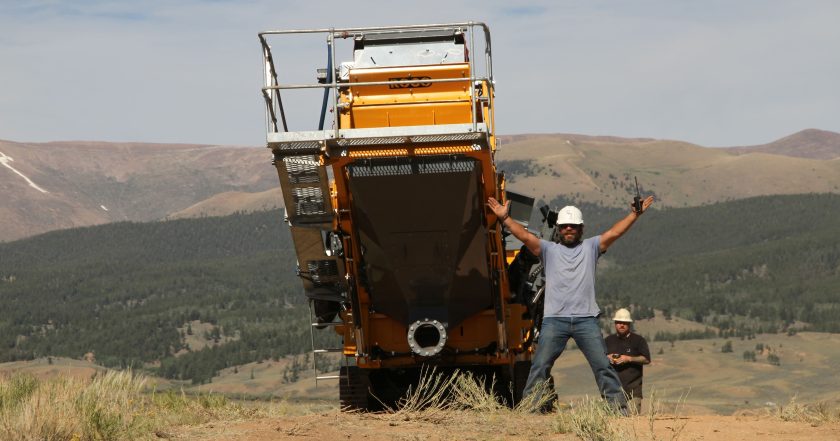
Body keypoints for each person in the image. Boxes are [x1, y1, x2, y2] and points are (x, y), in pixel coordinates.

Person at [486, 195, 654, 412]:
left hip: (586, 320)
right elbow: (525, 237)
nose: (568, 229)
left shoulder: (592, 247)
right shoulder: (548, 250)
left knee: (603, 366)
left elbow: (615, 232)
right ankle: (529, 409)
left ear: (581, 229)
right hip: (555, 320)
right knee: (539, 366)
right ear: (559, 229)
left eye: (573, 227)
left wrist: (634, 214)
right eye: (564, 226)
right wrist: (505, 219)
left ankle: (618, 410)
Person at [605, 308, 651, 414]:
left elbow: (646, 359)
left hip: (633, 390)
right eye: (619, 322)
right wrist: (608, 357)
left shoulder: (638, 340)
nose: (622, 325)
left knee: (633, 422)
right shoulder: (608, 341)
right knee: (614, 421)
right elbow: (600, 358)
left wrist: (629, 358)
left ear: (629, 324)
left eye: (624, 323)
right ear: (615, 324)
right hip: (613, 389)